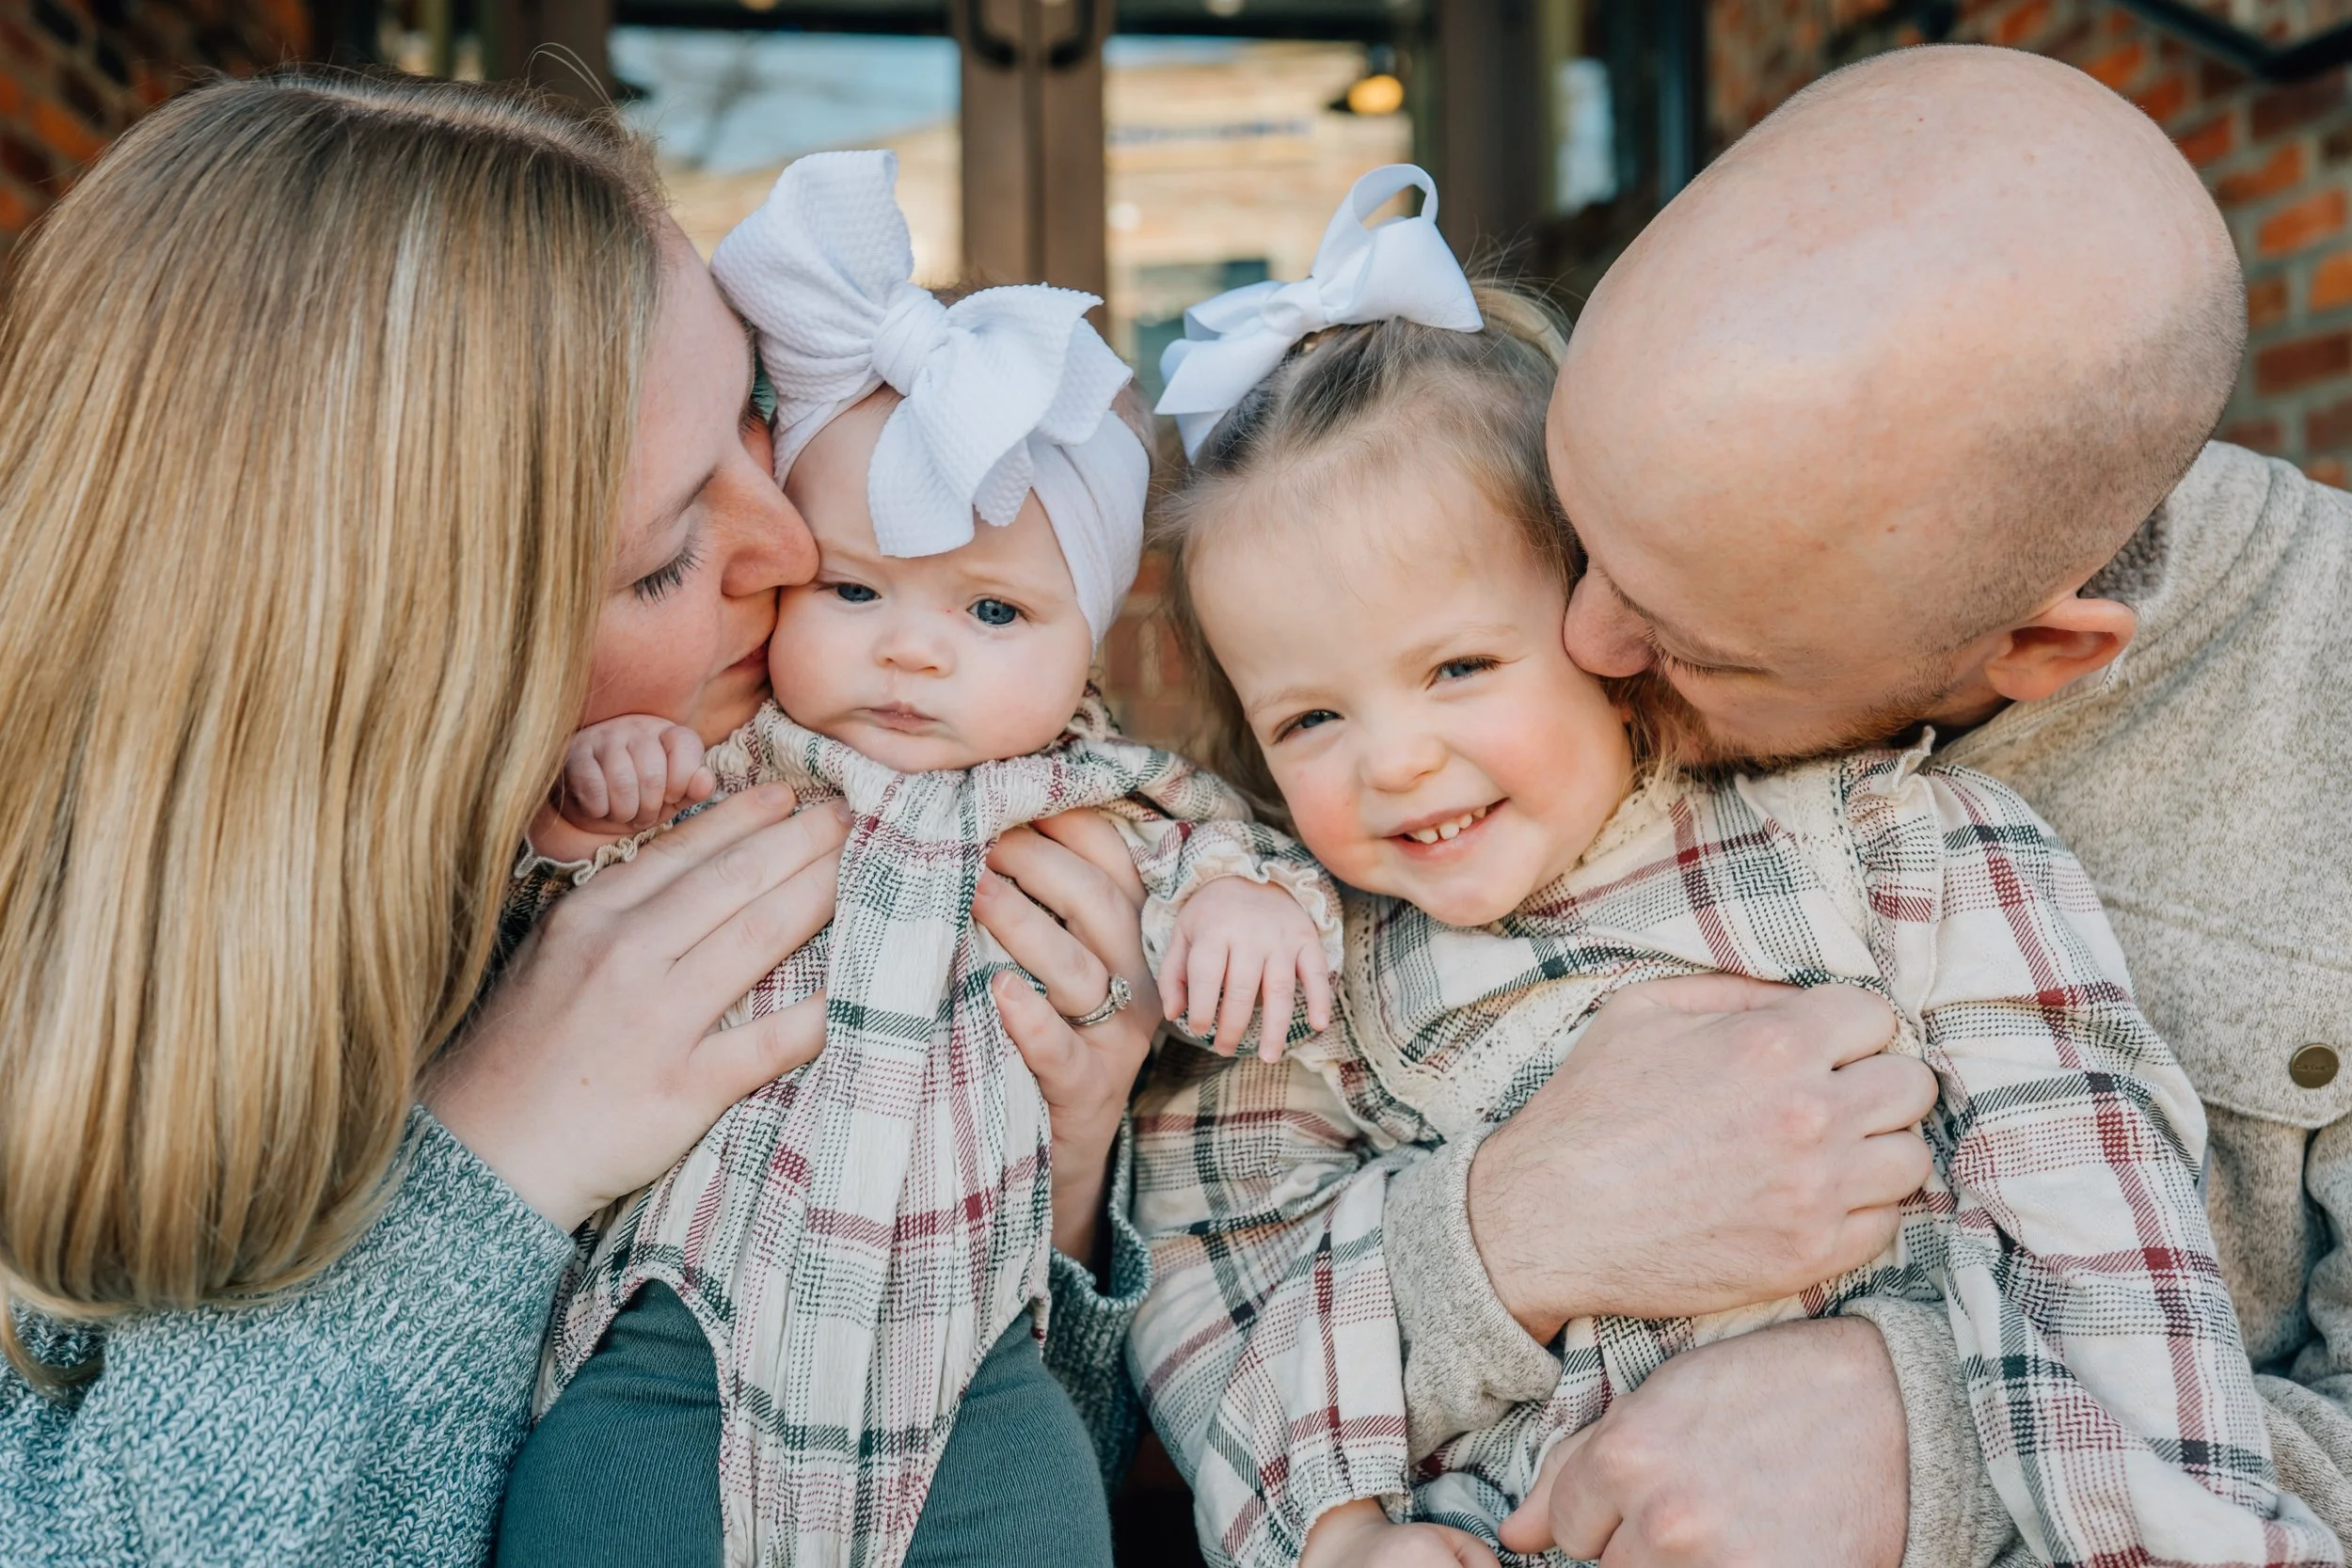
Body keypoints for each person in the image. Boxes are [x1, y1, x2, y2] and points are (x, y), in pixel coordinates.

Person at [0, 72, 1159, 1566]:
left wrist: (1052, 1184)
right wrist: (493, 1161)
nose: (796, 544)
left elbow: (998, 1494)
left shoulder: (882, 810)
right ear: (389, 653)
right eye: (671, 557)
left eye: (760, 417)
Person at [1122, 164, 2331, 1568]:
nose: (1390, 760)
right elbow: (1210, 1292)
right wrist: (1334, 1534)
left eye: (1459, 665)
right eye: (1309, 716)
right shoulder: (1306, 959)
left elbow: (2101, 1242)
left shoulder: (1890, 853)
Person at [495, 150, 1330, 1568]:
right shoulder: (742, 755)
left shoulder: (1094, 798)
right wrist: (593, 800)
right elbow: (557, 917)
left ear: (1088, 643)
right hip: (684, 1328)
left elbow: (1228, 848)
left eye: (994, 611)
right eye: (857, 585)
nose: (913, 645)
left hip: (971, 1367)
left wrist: (1250, 898)